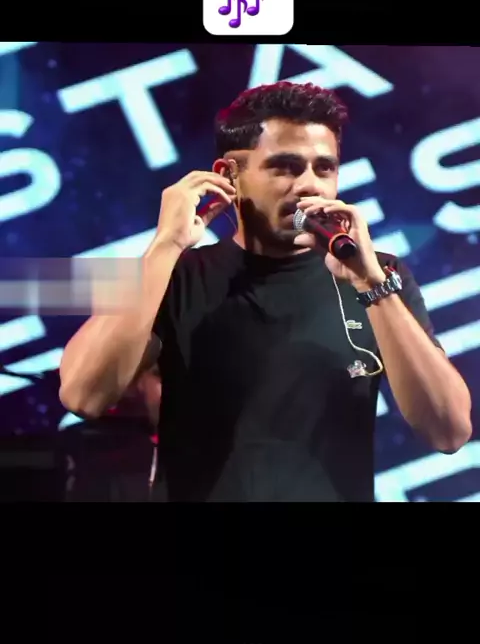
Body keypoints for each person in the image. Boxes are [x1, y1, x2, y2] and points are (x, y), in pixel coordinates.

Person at [59, 81, 472, 501]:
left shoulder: (378, 275)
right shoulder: (175, 275)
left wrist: (372, 286)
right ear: (229, 175)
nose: (310, 185)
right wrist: (165, 245)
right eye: (286, 167)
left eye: (324, 168)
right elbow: (83, 395)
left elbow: (449, 431)